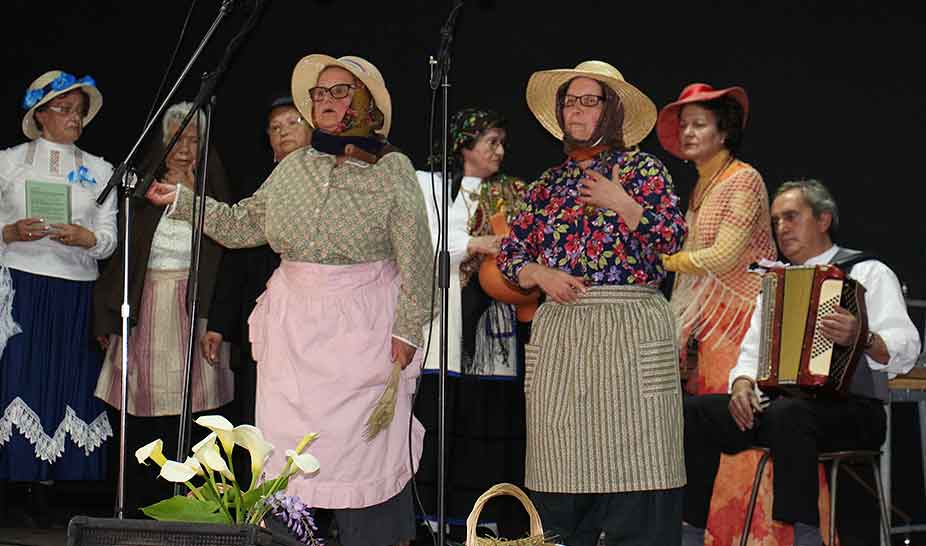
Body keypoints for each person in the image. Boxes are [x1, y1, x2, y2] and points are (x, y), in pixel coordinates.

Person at [146, 54, 433, 546]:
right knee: (284, 454)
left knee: (359, 450)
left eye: (338, 91)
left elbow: (418, 257)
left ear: (365, 100)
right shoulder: (295, 166)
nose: (324, 101)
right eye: (319, 94)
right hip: (295, 329)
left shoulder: (393, 168)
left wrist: (407, 328)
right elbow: (243, 225)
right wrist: (182, 201)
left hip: (361, 326)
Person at [497, 60, 688, 545]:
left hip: (631, 327)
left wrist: (622, 202)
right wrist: (540, 274)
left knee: (640, 475)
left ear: (613, 110)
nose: (575, 110)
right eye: (569, 101)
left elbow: (671, 238)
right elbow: (511, 252)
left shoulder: (643, 169)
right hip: (565, 334)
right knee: (562, 477)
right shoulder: (547, 185)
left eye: (588, 100)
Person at [682, 179, 921, 546]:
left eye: (791, 217)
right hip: (787, 415)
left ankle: (806, 538)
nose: (782, 228)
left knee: (788, 414)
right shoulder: (776, 285)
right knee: (693, 412)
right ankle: (688, 531)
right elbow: (751, 353)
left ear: (824, 220)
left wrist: (862, 337)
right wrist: (743, 386)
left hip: (856, 413)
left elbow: (906, 348)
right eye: (776, 220)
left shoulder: (867, 272)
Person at [656, 84, 786, 544]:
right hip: (709, 329)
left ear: (724, 130)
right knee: (707, 438)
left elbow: (725, 254)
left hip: (741, 324)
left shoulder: (743, 179)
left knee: (740, 431)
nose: (688, 132)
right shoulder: (701, 184)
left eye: (699, 124)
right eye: (683, 124)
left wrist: (662, 260)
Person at [92, 101, 235, 516]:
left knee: (193, 414)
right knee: (141, 410)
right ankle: (140, 508)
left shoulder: (214, 188)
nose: (186, 147)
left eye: (194, 139)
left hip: (192, 309)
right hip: (146, 305)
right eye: (178, 138)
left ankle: (191, 508)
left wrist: (214, 317)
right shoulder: (141, 189)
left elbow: (226, 256)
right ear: (163, 141)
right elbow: (124, 257)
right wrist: (108, 313)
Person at [0, 70, 116, 525]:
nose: (73, 117)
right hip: (23, 285)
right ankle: (17, 481)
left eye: (79, 110)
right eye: (64, 109)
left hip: (76, 289)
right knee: (21, 376)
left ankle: (55, 488)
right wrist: (10, 231)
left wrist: (87, 238)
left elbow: (110, 239)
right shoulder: (8, 163)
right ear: (40, 115)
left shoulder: (102, 170)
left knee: (68, 380)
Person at [414, 107, 529, 540]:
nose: (499, 150)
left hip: (493, 324)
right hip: (444, 317)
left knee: (489, 416)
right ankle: (436, 521)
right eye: (490, 142)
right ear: (464, 145)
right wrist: (478, 243)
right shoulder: (430, 186)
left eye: (502, 142)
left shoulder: (513, 191)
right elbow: (423, 243)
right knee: (442, 414)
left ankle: (492, 521)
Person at [200, 95, 311, 429]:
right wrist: (218, 324)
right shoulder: (256, 185)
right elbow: (233, 258)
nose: (284, 132)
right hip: (259, 318)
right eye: (276, 127)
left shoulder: (328, 182)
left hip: (311, 318)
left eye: (294, 123)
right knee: (258, 412)